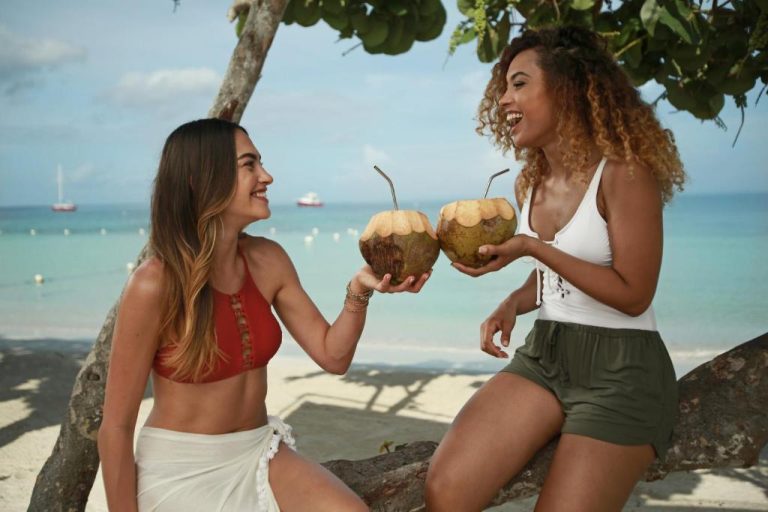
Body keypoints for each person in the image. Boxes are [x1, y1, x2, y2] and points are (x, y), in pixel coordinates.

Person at [97, 118, 430, 512]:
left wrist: (359, 291)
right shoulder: (153, 285)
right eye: (248, 165)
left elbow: (333, 355)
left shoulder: (268, 260)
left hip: (258, 452)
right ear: (199, 180)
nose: (266, 176)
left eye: (261, 163)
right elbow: (115, 427)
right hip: (181, 469)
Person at [425, 26, 686, 511]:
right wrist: (513, 302)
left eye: (519, 84)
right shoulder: (532, 183)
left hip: (623, 371)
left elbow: (633, 294)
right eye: (503, 87)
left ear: (567, 88)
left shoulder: (625, 174)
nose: (504, 100)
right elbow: (558, 275)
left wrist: (531, 247)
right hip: (546, 354)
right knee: (447, 490)